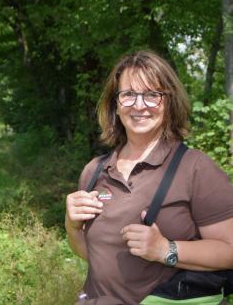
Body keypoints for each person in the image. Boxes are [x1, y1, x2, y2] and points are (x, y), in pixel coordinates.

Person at [65, 51, 233, 305]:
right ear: (116, 105)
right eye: (128, 94)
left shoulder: (196, 168)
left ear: (168, 102)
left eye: (152, 95)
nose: (139, 105)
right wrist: (71, 226)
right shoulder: (94, 171)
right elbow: (94, 255)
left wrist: (166, 250)